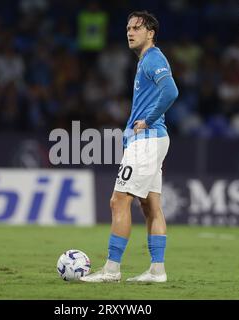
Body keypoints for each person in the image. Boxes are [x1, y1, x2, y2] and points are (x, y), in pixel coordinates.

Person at [81, 11, 179, 283]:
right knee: (151, 207)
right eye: (127, 27)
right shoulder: (145, 61)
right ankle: (157, 271)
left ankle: (112, 270)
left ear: (151, 33)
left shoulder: (154, 58)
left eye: (137, 27)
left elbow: (171, 91)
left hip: (148, 140)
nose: (130, 31)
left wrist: (146, 120)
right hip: (152, 140)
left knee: (118, 200)